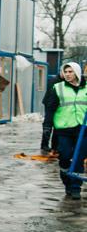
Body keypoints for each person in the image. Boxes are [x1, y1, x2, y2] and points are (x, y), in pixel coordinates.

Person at [45, 62, 87, 200]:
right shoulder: (58, 88)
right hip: (64, 129)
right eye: (66, 72)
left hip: (83, 129)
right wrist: (47, 127)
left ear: (77, 72)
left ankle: (76, 187)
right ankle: (66, 180)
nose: (68, 74)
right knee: (64, 157)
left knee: (79, 159)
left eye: (70, 72)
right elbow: (50, 109)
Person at [41, 69, 64, 156]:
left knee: (57, 126)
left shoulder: (64, 81)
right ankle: (44, 145)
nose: (66, 74)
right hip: (50, 105)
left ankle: (55, 146)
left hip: (59, 106)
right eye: (64, 72)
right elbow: (51, 96)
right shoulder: (54, 81)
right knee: (48, 125)